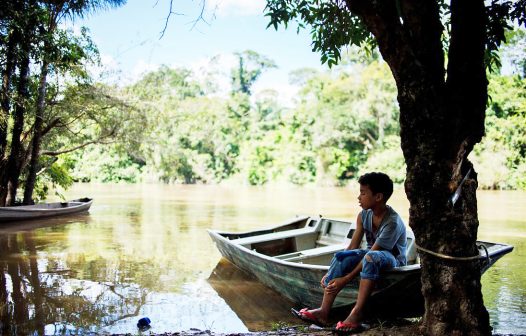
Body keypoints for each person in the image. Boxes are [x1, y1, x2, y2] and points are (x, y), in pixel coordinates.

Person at [291, 172, 407, 333]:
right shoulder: (363, 215)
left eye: (363, 193)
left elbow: (374, 252)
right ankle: (323, 312)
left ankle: (357, 313)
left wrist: (345, 279)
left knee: (371, 257)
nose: (359, 197)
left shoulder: (392, 222)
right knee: (342, 256)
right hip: (370, 255)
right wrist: (332, 272)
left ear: (378, 197)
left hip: (393, 260)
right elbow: (352, 247)